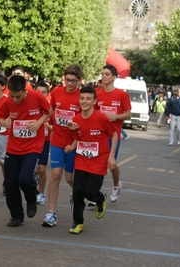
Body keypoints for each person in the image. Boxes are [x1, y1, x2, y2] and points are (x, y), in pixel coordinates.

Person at [0, 75, 50, 227]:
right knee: (10, 183)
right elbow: (0, 117)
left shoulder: (37, 97)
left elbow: (48, 111)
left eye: (18, 96)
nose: (14, 100)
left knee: (25, 179)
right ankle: (16, 215)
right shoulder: (8, 101)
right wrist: (4, 122)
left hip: (33, 146)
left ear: (25, 90)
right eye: (12, 96)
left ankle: (32, 198)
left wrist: (39, 122)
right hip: (13, 147)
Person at [66, 85, 117, 234]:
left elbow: (114, 134)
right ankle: (78, 222)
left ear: (94, 101)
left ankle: (100, 198)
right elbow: (78, 138)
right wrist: (71, 146)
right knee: (78, 192)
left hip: (98, 161)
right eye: (82, 98)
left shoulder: (101, 118)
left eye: (88, 98)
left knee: (89, 192)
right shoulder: (75, 119)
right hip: (81, 160)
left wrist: (111, 156)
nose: (84, 101)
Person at [42, 64, 82, 227]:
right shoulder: (57, 92)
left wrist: (75, 142)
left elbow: (87, 120)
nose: (70, 84)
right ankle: (52, 212)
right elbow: (51, 110)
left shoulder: (83, 96)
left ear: (79, 81)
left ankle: (77, 194)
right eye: (67, 80)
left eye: (73, 81)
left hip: (74, 142)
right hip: (57, 140)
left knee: (69, 177)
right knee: (55, 174)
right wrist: (43, 120)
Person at [95, 64, 131, 203]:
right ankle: (95, 194)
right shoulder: (98, 94)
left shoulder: (122, 94)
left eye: (107, 74)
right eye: (102, 74)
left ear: (114, 77)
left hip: (114, 136)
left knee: (112, 165)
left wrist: (114, 116)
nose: (103, 76)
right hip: (99, 135)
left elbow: (128, 114)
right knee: (98, 165)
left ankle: (116, 185)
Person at [34, 81, 53, 205]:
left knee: (41, 169)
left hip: (44, 141)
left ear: (47, 94)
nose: (41, 94)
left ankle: (41, 193)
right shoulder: (29, 106)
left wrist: (49, 126)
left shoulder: (50, 109)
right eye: (38, 92)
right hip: (30, 142)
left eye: (43, 92)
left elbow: (56, 126)